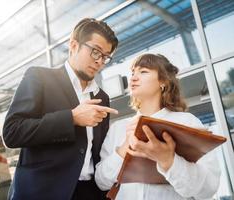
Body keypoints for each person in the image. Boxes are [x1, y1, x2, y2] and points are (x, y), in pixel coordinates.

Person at [2, 18, 119, 200]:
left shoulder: (102, 98)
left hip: (89, 192)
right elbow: (12, 132)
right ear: (73, 45)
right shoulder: (39, 77)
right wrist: (71, 118)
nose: (99, 61)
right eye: (95, 52)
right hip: (43, 192)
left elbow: (97, 152)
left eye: (106, 57)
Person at [95, 53, 221, 200]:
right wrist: (124, 149)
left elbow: (208, 189)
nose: (133, 77)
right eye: (133, 72)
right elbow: (101, 182)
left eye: (143, 72)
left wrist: (169, 161)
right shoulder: (119, 128)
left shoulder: (186, 122)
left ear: (163, 82)